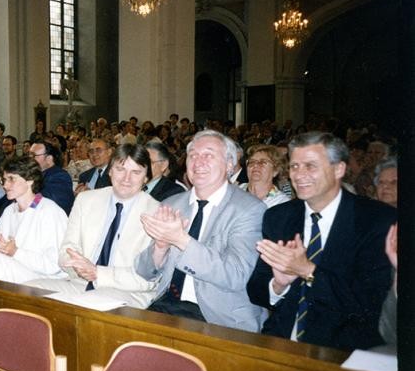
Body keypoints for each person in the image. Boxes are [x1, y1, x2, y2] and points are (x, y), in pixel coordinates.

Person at [246, 132, 396, 350]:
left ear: (339, 169)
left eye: (310, 166)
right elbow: (256, 290)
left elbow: (369, 304)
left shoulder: (375, 220)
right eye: (295, 166)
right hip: (281, 341)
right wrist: (278, 285)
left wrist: (308, 271)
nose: (299, 175)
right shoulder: (279, 217)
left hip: (343, 349)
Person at [136, 130, 268, 332]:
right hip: (166, 304)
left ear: (230, 164)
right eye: (193, 156)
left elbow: (235, 275)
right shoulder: (172, 203)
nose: (198, 162)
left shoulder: (249, 209)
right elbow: (144, 271)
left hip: (218, 315)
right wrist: (160, 247)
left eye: (208, 155)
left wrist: (181, 240)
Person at [27, 144, 160, 308]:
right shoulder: (86, 200)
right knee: (28, 291)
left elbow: (148, 279)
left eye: (136, 172)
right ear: (110, 171)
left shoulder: (157, 213)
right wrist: (78, 266)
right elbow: (67, 247)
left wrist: (98, 272)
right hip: (81, 282)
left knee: (89, 304)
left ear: (146, 177)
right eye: (120, 169)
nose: (127, 178)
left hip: (128, 291)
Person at [0, 156, 67, 283]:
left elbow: (55, 265)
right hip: (14, 271)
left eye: (11, 179)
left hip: (46, 278)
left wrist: (15, 252)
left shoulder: (50, 211)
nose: (5, 185)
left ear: (30, 180)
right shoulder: (9, 211)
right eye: (4, 180)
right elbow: (5, 256)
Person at [28, 142, 74, 215]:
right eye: (29, 154)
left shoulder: (59, 176)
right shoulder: (32, 175)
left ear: (49, 159)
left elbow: (46, 198)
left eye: (33, 155)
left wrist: (29, 205)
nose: (29, 158)